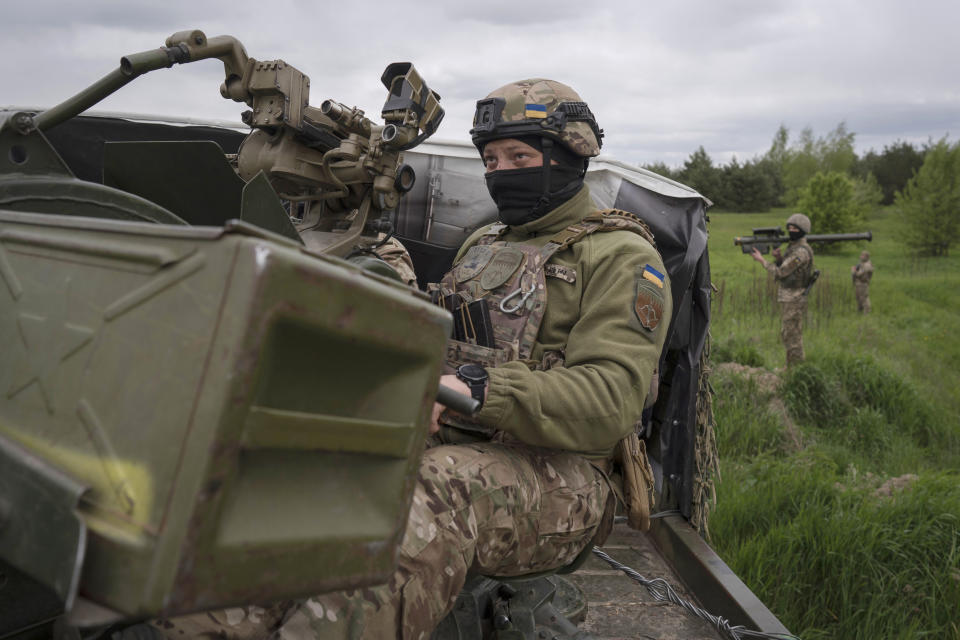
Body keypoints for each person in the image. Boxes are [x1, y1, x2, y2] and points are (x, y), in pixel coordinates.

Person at [145, 78, 672, 640]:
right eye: (491, 159)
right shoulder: (486, 243)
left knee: (431, 496)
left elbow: (611, 400)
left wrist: (480, 389)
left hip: (569, 478)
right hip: (460, 442)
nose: (501, 171)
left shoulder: (622, 256)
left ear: (573, 152)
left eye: (520, 156)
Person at [750, 213, 814, 367]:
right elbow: (786, 268)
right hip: (789, 296)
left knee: (792, 336)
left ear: (802, 230)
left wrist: (762, 260)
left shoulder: (801, 252)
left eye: (794, 228)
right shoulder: (794, 248)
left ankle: (796, 369)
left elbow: (781, 272)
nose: (791, 230)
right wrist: (779, 258)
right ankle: (791, 367)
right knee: (788, 333)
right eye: (789, 228)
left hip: (794, 297)